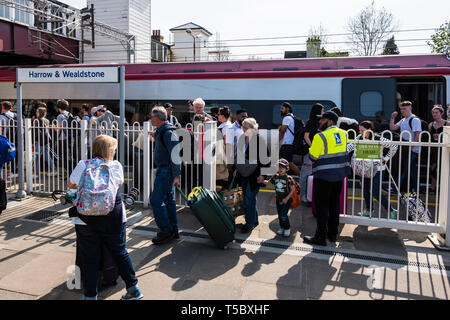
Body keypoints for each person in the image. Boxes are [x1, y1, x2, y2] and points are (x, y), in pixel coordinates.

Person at [68, 135, 143, 300]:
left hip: (85, 218)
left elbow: (71, 184)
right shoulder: (116, 166)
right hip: (113, 216)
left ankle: (90, 295)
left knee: (90, 257)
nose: (115, 152)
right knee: (120, 252)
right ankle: (133, 289)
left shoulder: (83, 164)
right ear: (108, 150)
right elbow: (119, 185)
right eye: (114, 149)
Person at [303, 111, 350, 246]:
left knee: (322, 207)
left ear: (330, 121)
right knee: (334, 205)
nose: (320, 122)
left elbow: (313, 157)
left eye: (322, 120)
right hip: (339, 176)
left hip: (323, 176)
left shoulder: (320, 136)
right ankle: (333, 234)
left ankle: (320, 237)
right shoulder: (344, 134)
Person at [347, 121, 398, 219]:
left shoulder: (379, 138)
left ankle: (391, 210)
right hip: (363, 169)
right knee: (366, 190)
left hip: (377, 169)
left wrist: (386, 158)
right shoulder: (359, 138)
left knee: (375, 191)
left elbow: (394, 146)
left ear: (369, 130)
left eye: (362, 130)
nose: (360, 132)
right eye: (359, 130)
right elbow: (350, 147)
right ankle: (369, 210)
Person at [149, 106, 181, 245]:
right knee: (168, 200)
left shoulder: (167, 133)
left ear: (157, 118)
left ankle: (166, 230)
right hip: (165, 170)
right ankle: (173, 230)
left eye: (151, 117)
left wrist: (176, 175)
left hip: (165, 171)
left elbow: (175, 155)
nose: (150, 119)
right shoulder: (163, 131)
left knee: (156, 201)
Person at [235, 118, 269, 233]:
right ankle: (254, 221)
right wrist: (237, 169)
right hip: (244, 174)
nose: (243, 129)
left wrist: (263, 176)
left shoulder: (259, 140)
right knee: (249, 198)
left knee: (249, 198)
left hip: (255, 176)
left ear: (253, 128)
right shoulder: (243, 139)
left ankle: (249, 224)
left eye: (246, 127)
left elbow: (266, 160)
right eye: (242, 127)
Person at [389, 101, 422, 193]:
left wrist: (411, 147)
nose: (402, 111)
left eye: (404, 109)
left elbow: (417, 135)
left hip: (412, 149)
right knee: (411, 170)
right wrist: (392, 118)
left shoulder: (414, 120)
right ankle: (417, 188)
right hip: (406, 148)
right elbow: (393, 128)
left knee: (405, 169)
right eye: (401, 109)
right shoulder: (403, 120)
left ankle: (394, 187)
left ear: (410, 108)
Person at [258, 159, 294, 237]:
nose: (280, 169)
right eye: (279, 167)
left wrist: (287, 198)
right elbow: (268, 183)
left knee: (284, 214)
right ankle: (282, 227)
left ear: (286, 168)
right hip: (278, 199)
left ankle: (287, 228)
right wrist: (262, 180)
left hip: (286, 200)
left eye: (282, 167)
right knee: (280, 214)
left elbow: (292, 190)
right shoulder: (275, 177)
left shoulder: (288, 178)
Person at [299, 103, 324, 204]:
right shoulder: (310, 123)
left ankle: (310, 195)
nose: (323, 112)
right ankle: (303, 195)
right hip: (310, 152)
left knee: (312, 174)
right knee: (305, 174)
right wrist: (312, 147)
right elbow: (306, 136)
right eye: (322, 110)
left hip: (317, 152)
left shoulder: (320, 122)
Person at [428, 105, 449, 192]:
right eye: (433, 112)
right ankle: (433, 186)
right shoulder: (431, 124)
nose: (434, 114)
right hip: (434, 148)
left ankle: (441, 187)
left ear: (441, 113)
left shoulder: (447, 123)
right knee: (432, 168)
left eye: (436, 112)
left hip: (443, 149)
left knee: (442, 167)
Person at [278, 102, 300, 176]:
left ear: (287, 109)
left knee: (289, 163)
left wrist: (276, 141)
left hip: (287, 144)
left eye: (282, 108)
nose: (281, 110)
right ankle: (283, 177)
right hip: (287, 144)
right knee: (281, 161)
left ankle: (301, 176)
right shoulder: (291, 117)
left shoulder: (287, 118)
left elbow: (282, 131)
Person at [34, 106, 57, 176]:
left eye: (37, 111)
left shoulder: (37, 121)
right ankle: (54, 170)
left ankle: (36, 173)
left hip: (40, 141)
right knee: (47, 156)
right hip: (46, 140)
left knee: (37, 157)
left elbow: (37, 132)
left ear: (39, 113)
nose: (36, 112)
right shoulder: (45, 120)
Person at [216, 106, 233, 188]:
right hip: (224, 156)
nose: (217, 116)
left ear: (222, 116)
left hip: (225, 157)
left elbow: (227, 144)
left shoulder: (226, 127)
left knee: (226, 180)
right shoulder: (225, 126)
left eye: (218, 114)